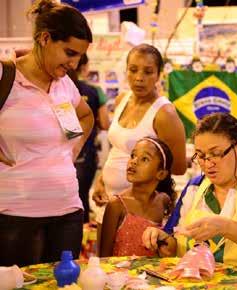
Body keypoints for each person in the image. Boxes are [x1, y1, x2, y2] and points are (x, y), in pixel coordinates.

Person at [0, 0, 93, 266]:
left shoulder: (65, 85)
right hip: (14, 215)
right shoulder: (5, 76)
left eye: (79, 57)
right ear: (44, 38)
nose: (74, 64)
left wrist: (73, 148)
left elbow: (85, 116)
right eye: (69, 53)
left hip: (68, 212)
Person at [142, 113, 237, 267]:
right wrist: (163, 241)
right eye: (201, 156)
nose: (208, 164)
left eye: (215, 154)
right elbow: (174, 240)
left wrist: (227, 228)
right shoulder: (194, 188)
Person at [91, 44, 187, 247]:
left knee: (134, 269)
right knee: (105, 264)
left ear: (159, 74)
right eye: (133, 70)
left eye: (148, 71)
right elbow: (117, 149)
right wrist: (102, 179)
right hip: (108, 202)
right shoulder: (121, 100)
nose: (139, 77)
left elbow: (177, 167)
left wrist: (145, 177)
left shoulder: (165, 114)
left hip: (139, 211)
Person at [100, 137, 175, 257]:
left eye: (144, 159)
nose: (134, 161)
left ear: (161, 174)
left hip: (155, 274)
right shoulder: (117, 205)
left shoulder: (164, 201)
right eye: (133, 155)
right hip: (119, 275)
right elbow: (104, 258)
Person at [69, 54, 110, 223]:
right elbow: (105, 123)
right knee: (82, 196)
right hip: (86, 151)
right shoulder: (94, 91)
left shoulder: (58, 88)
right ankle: (83, 240)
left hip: (60, 154)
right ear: (84, 67)